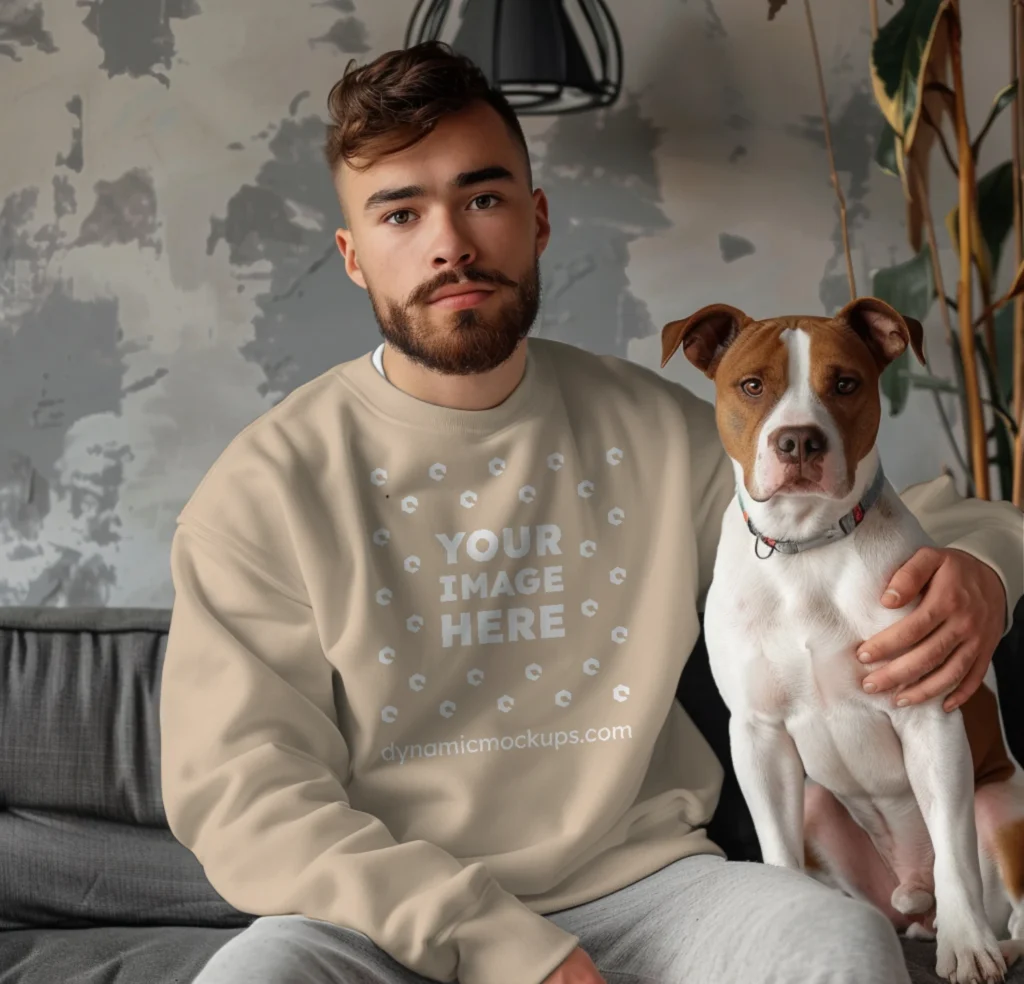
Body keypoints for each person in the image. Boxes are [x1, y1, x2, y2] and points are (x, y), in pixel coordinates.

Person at [160, 41, 1023, 984]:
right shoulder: (262, 488)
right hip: (377, 920)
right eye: (400, 212)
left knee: (838, 948)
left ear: (535, 221)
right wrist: (500, 945)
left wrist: (981, 574)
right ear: (353, 256)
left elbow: (878, 514)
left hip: (653, 894)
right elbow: (245, 798)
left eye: (482, 197)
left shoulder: (656, 430)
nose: (449, 241)